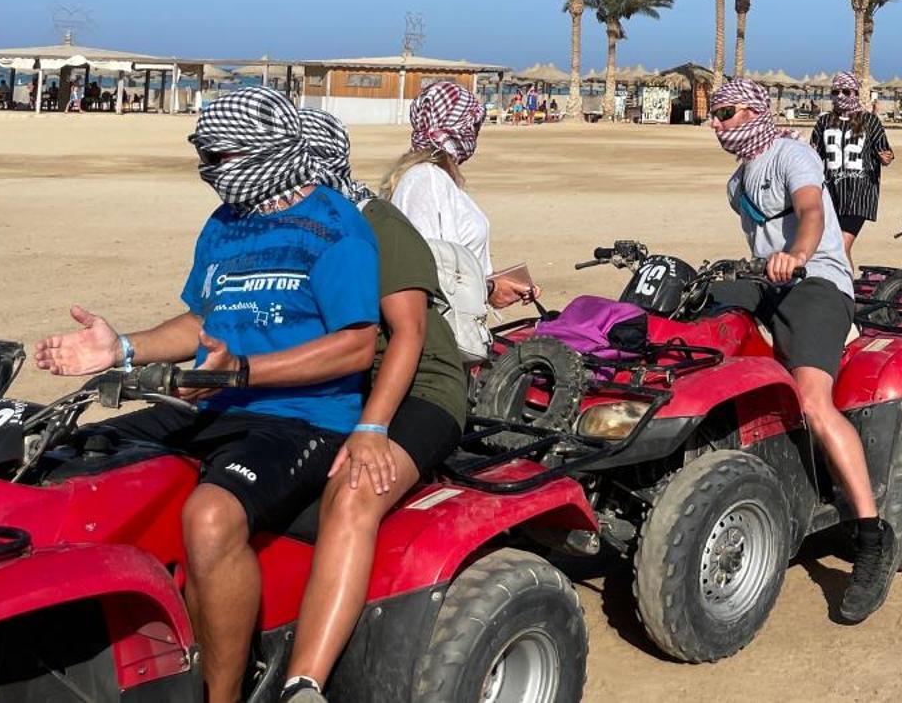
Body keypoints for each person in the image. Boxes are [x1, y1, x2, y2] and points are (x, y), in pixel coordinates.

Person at [33, 89, 381, 703]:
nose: (208, 167)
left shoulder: (335, 227)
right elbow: (201, 322)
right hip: (215, 401)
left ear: (265, 151)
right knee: (67, 453)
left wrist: (242, 371)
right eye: (202, 152)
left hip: (305, 419)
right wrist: (122, 349)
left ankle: (222, 693)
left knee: (210, 516)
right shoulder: (225, 224)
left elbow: (355, 346)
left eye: (218, 154)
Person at [277, 112, 469, 703]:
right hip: (339, 384)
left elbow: (407, 336)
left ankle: (303, 684)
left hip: (419, 388)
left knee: (355, 493)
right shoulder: (286, 229)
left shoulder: (376, 225)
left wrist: (372, 427)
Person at [708, 77, 895, 623]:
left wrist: (797, 254)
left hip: (818, 282)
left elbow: (811, 211)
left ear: (755, 111)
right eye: (715, 115)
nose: (716, 124)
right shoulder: (734, 182)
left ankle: (869, 533)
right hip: (770, 284)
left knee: (813, 401)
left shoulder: (793, 155)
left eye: (726, 113)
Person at [384, 79, 532, 358]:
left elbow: (453, 262)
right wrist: (489, 287)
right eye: (473, 127)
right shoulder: (427, 180)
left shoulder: (438, 180)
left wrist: (493, 288)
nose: (475, 136)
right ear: (457, 127)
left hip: (453, 336)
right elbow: (429, 268)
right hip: (438, 344)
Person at [805, 71, 895, 260]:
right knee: (828, 248)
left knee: (841, 248)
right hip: (830, 194)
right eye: (835, 92)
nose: (840, 97)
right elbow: (813, 155)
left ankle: (845, 289)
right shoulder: (824, 122)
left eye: (845, 92)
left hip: (859, 195)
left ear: (854, 93)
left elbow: (885, 151)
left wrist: (886, 157)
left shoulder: (870, 121)